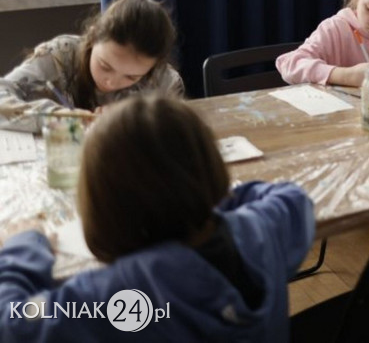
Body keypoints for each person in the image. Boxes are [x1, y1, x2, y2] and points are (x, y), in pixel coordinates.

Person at [0, 95, 315, 341]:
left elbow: (13, 322)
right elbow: (291, 196)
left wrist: (21, 248)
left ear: (103, 205)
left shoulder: (124, 295)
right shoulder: (266, 228)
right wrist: (207, 195)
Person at [0, 0, 183, 133]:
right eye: (105, 66)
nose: (111, 82)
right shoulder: (58, 56)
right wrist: (58, 117)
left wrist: (134, 118)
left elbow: (175, 134)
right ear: (93, 36)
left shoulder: (164, 81)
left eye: (131, 77)